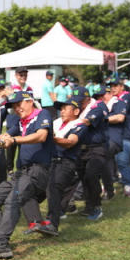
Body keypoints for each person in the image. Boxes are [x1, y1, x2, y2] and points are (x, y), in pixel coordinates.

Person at [0, 90, 53, 260]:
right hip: (22, 173)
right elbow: (8, 133)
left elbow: (41, 136)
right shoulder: (21, 122)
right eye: (14, 107)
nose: (17, 109)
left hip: (38, 171)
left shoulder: (42, 115)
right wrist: (5, 136)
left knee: (12, 200)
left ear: (30, 102)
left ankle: (1, 245)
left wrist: (15, 140)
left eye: (19, 104)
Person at [34, 96, 87, 236]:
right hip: (49, 161)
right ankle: (34, 218)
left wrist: (50, 137)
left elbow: (70, 142)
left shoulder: (80, 125)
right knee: (37, 187)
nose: (62, 111)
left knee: (53, 188)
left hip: (66, 162)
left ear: (76, 111)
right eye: (61, 109)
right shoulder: (56, 122)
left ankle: (52, 224)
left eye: (65, 108)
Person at [77, 85, 110, 220]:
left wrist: (69, 124)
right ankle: (89, 205)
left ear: (87, 98)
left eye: (80, 101)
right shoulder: (80, 109)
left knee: (91, 175)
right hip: (82, 148)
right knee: (84, 177)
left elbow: (87, 121)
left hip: (97, 147)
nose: (78, 103)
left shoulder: (97, 107)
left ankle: (97, 206)